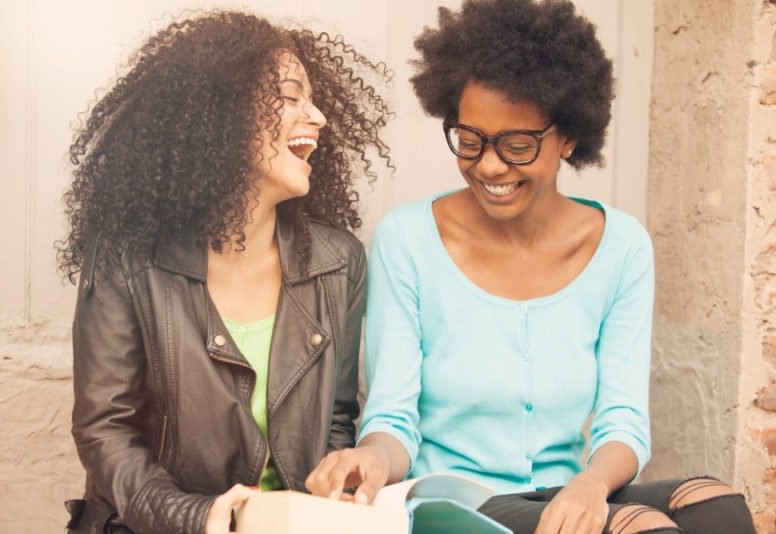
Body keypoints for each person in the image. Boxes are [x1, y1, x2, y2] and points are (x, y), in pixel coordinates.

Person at [305, 1, 757, 533]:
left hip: (561, 490)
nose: (489, 165)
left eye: (517, 144)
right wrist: (375, 457)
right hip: (450, 499)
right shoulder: (406, 240)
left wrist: (589, 487)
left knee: (716, 504)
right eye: (470, 140)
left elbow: (623, 421)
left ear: (568, 136)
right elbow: (392, 418)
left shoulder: (623, 248)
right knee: (637, 526)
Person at [57, 10, 391, 534]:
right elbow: (106, 431)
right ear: (221, 111)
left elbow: (337, 420)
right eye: (290, 95)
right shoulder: (126, 258)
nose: (319, 116)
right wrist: (202, 518)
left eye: (314, 98)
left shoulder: (338, 261)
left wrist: (332, 498)